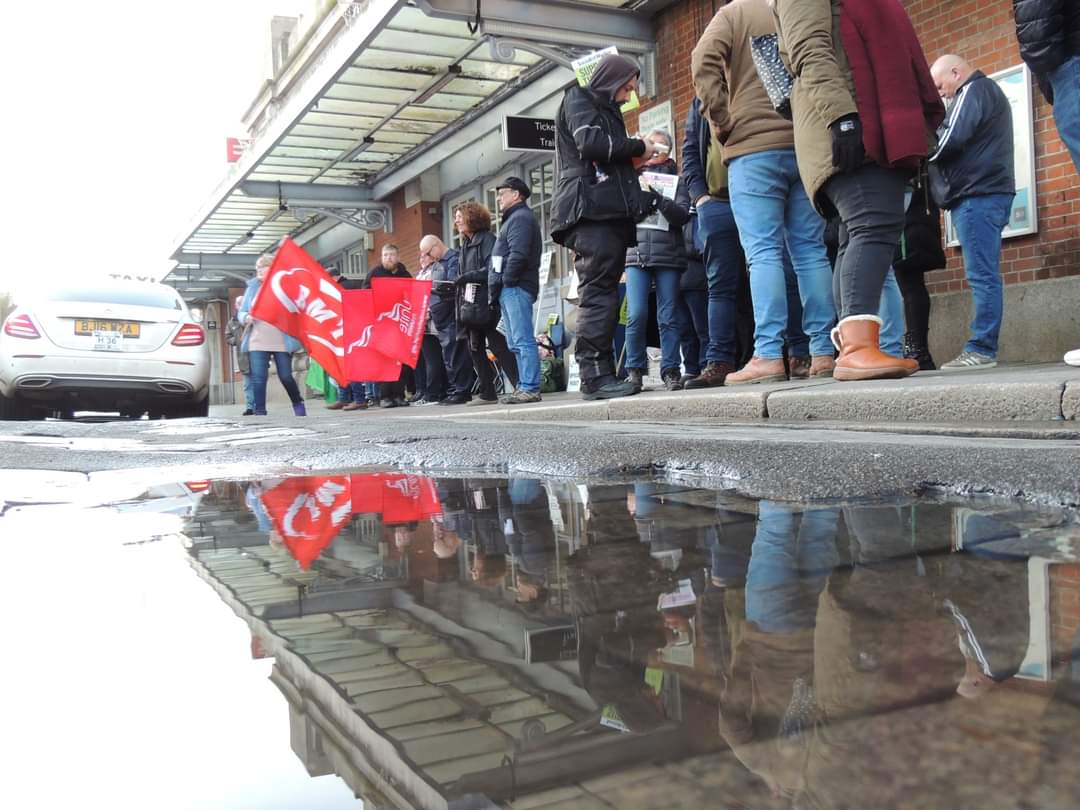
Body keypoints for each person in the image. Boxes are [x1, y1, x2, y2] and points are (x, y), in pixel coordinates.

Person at [772, 0, 943, 381]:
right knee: (873, 224)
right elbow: (807, 47)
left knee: (857, 233)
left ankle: (858, 345)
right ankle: (857, 349)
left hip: (861, 118)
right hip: (850, 120)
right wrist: (842, 118)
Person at [692, 0, 837, 385]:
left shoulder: (734, 14)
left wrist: (720, 121)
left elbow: (702, 60)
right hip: (803, 145)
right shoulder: (796, 8)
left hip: (752, 151)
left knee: (763, 254)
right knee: (810, 251)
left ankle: (769, 355)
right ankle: (823, 351)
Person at [550, 52, 663, 400]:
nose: (629, 95)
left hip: (600, 212)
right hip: (591, 213)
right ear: (612, 80)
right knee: (599, 293)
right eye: (627, 87)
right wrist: (639, 146)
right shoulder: (579, 98)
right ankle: (595, 377)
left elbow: (604, 154)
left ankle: (598, 373)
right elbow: (591, 144)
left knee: (601, 293)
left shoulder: (596, 106)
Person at [928, 54, 1016, 371]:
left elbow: (949, 140)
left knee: (982, 276)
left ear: (956, 72)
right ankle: (982, 347)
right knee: (984, 274)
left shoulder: (974, 90)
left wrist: (924, 149)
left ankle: (981, 348)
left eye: (940, 86)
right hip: (987, 192)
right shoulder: (986, 92)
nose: (942, 94)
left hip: (978, 194)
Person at [680, 97, 750, 389]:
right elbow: (691, 153)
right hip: (717, 200)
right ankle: (720, 361)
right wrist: (700, 197)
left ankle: (783, 354)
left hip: (757, 192)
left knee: (771, 271)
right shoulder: (700, 102)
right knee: (720, 285)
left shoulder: (752, 81)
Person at [623, 129, 692, 392]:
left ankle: (671, 370)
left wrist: (659, 199)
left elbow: (682, 216)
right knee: (636, 313)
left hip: (669, 255)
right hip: (636, 252)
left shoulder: (678, 181)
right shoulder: (630, 177)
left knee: (669, 315)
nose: (655, 152)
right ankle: (635, 370)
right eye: (652, 145)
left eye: (661, 148)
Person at [454, 202, 519, 404]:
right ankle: (487, 392)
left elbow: (492, 270)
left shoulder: (488, 240)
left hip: (487, 303)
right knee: (474, 348)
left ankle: (521, 386)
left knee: (498, 346)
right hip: (471, 305)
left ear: (471, 218)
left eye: (459, 216)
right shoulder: (465, 244)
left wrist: (467, 277)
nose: (456, 220)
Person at [492, 176, 544, 404]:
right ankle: (524, 386)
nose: (498, 198)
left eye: (502, 193)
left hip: (515, 287)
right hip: (511, 288)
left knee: (522, 340)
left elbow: (518, 254)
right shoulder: (515, 218)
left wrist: (507, 280)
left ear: (516, 194)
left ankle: (530, 387)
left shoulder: (520, 218)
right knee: (514, 342)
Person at [238, 254, 306, 416]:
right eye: (257, 268)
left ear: (273, 267)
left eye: (263, 266)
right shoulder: (252, 287)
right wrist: (246, 317)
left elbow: (296, 308)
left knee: (286, 376)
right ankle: (259, 411)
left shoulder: (284, 285)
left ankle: (297, 402)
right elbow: (242, 312)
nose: (259, 270)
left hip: (281, 339)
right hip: (258, 339)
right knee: (259, 378)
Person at [894, 174, 947, 370]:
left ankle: (916, 349)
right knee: (910, 283)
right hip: (915, 212)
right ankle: (917, 348)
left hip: (908, 216)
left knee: (908, 282)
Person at [420, 234, 477, 405]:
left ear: (436, 245)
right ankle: (454, 388)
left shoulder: (453, 259)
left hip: (451, 313)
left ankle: (461, 390)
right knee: (448, 355)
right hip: (440, 316)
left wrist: (435, 289)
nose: (428, 258)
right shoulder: (438, 263)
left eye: (428, 253)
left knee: (456, 352)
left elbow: (452, 285)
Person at [368, 243, 412, 407]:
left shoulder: (405, 274)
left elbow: (412, 295)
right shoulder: (374, 273)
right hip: (383, 323)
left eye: (392, 255)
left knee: (402, 362)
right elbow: (365, 294)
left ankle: (399, 395)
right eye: (385, 255)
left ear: (398, 256)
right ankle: (385, 397)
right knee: (385, 361)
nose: (388, 258)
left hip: (401, 323)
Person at [226, 294, 254, 415]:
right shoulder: (232, 322)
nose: (242, 305)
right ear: (236, 306)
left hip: (256, 354)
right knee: (247, 384)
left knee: (258, 382)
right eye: (239, 303)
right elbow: (228, 337)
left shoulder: (253, 318)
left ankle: (259, 406)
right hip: (243, 357)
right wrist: (236, 341)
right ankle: (250, 407)